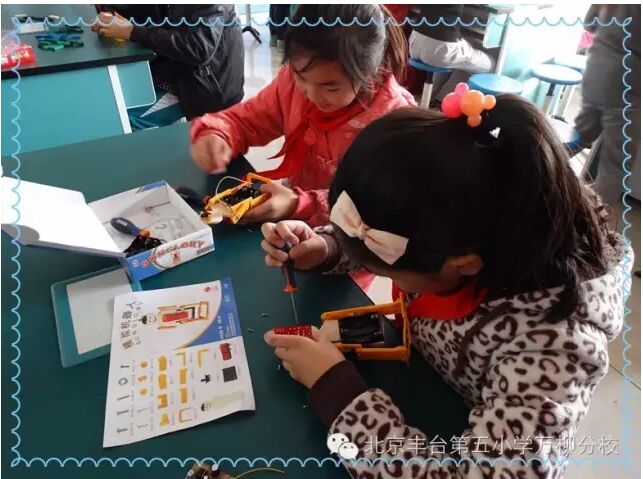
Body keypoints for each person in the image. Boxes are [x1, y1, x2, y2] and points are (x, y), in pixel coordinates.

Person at [261, 95, 630, 477]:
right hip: (428, 382)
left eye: (384, 271)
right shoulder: (458, 225)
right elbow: (394, 242)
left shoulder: (553, 351)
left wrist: (338, 394)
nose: (386, 276)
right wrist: (327, 248)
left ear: (463, 264)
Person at [190, 4, 415, 227]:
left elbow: (374, 204)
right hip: (292, 215)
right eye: (301, 78)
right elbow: (248, 119)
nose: (312, 96)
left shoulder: (394, 123)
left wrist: (298, 203)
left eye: (331, 88)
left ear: (370, 72)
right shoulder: (292, 84)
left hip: (347, 235)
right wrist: (220, 133)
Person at [94, 5, 244, 129]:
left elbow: (199, 49)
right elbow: (155, 15)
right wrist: (114, 16)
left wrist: (133, 32)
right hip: (179, 71)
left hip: (203, 88)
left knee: (123, 120)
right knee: (112, 100)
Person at [573, 4, 640, 212]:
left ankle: (535, 169)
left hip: (598, 65)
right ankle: (589, 219)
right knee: (615, 164)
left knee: (580, 135)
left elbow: (590, 23)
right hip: (628, 77)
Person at [409, 4, 495, 101]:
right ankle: (471, 105)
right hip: (441, 48)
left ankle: (428, 100)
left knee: (449, 60)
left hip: (414, 42)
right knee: (491, 65)